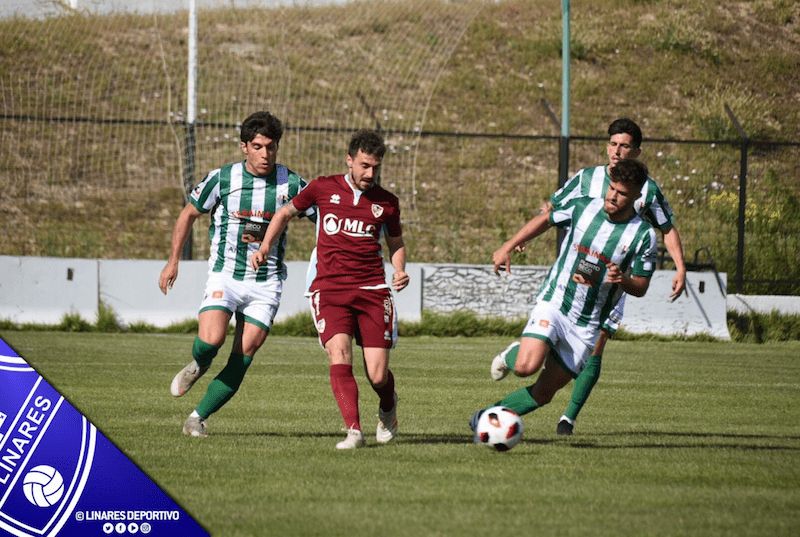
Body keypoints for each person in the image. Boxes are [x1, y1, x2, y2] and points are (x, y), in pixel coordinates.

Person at [470, 158, 658, 440]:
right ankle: (514, 356)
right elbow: (546, 218)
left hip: (588, 323)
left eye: (621, 193)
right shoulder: (583, 206)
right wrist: (508, 245)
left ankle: (486, 418)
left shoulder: (643, 235)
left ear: (636, 196)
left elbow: (641, 286)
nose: (612, 196)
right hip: (556, 301)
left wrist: (623, 279)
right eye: (612, 189)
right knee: (525, 367)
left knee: (544, 394)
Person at [158, 111, 316, 438]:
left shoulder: (292, 183)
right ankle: (199, 365)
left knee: (242, 357)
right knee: (210, 341)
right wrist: (173, 260)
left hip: (267, 285)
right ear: (244, 146)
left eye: (271, 147)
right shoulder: (222, 179)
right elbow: (189, 214)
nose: (265, 154)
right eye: (257, 146)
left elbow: (326, 218)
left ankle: (197, 418)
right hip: (225, 277)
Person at [252, 129, 408, 450]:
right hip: (330, 290)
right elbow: (284, 213)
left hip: (373, 291)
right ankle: (353, 431)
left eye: (376, 167)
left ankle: (389, 407)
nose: (370, 173)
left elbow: (396, 242)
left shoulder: (387, 203)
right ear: (349, 161)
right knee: (339, 356)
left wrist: (401, 269)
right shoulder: (323, 188)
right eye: (364, 165)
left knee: (377, 376)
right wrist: (266, 245)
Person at [549, 118, 686, 299]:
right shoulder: (586, 178)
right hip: (578, 265)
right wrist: (522, 240)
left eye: (625, 146)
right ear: (607, 147)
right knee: (572, 315)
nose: (617, 152)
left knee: (598, 324)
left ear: (637, 152)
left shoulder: (647, 189)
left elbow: (667, 229)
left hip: (615, 277)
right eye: (613, 144)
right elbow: (551, 207)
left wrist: (681, 269)